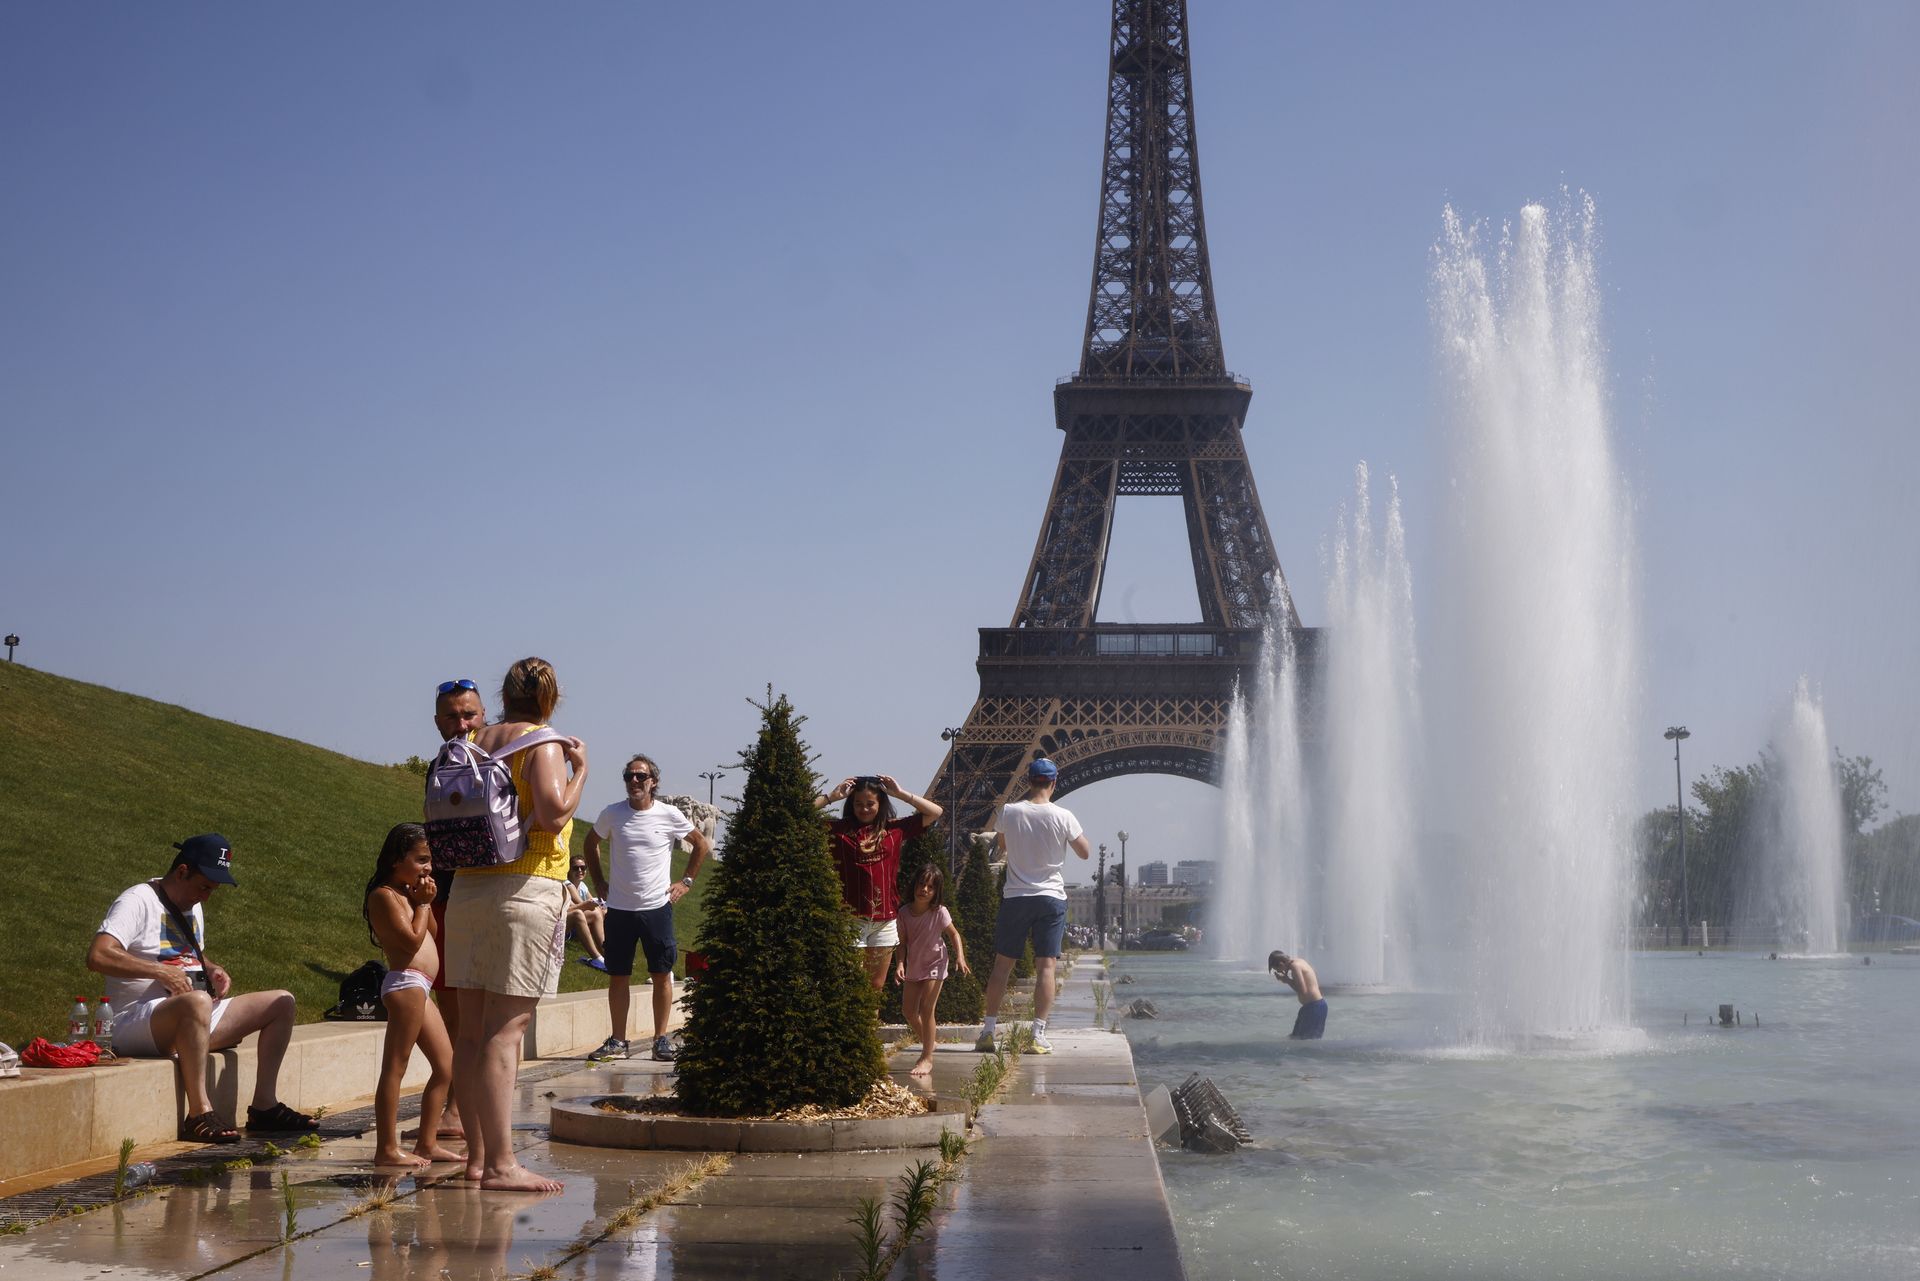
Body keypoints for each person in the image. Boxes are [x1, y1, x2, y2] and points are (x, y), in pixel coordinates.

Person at [444, 657, 586, 1193]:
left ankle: (478, 1159)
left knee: (472, 1033)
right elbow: (552, 816)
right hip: (525, 889)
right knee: (508, 1033)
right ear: (550, 699)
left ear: (504, 695)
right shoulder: (541, 743)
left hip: (468, 890)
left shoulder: (475, 740)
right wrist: (580, 773)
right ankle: (503, 1165)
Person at [86, 835, 318, 1144]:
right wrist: (159, 972)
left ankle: (264, 1106)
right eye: (204, 887)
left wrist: (211, 968)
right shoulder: (137, 900)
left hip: (190, 1012)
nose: (207, 897)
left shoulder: (192, 905)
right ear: (182, 872)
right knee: (197, 1003)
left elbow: (182, 954)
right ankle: (198, 1112)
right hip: (135, 1022)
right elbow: (99, 954)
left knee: (282, 1002)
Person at [583, 754, 712, 1062]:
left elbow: (700, 844)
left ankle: (660, 1039)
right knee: (618, 975)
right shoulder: (612, 814)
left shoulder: (668, 815)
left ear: (654, 781)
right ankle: (618, 1040)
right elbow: (590, 843)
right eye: (629, 776)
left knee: (661, 973)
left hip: (657, 907)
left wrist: (686, 882)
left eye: (641, 776)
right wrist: (599, 879)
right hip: (619, 909)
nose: (635, 781)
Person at [362, 823, 461, 1169]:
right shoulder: (383, 896)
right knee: (396, 1067)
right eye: (421, 860)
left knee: (446, 1067)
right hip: (405, 985)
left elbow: (431, 932)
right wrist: (420, 905)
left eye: (430, 861)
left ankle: (427, 1142)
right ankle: (386, 1148)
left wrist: (426, 903)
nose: (428, 867)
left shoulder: (408, 895)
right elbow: (409, 942)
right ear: (395, 860)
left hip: (421, 986)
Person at [976, 758, 1090, 1055]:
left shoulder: (1010, 812)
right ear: (1054, 782)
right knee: (1046, 968)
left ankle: (988, 1031)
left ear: (1028, 781)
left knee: (1002, 965)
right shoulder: (1064, 816)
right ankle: (1037, 1035)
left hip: (1016, 896)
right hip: (1051, 897)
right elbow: (1085, 852)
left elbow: (1002, 846)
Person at [422, 677, 487, 1140]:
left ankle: (460, 1113)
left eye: (470, 714)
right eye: (453, 716)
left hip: (489, 895)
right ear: (437, 721)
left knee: (478, 1017)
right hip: (447, 896)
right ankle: (454, 1110)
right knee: (453, 1013)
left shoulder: (500, 758)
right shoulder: (439, 765)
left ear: (484, 715)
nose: (462, 723)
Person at [814, 774, 944, 990]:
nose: (864, 809)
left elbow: (936, 812)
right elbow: (798, 814)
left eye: (870, 804)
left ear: (881, 803)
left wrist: (901, 794)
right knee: (851, 985)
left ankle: (869, 1025)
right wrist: (831, 797)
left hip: (885, 921)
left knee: (875, 987)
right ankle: (853, 1025)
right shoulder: (839, 831)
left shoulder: (895, 829)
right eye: (858, 804)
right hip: (851, 920)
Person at [894, 863, 970, 1078]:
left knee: (927, 1009)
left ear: (936, 892)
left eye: (930, 887)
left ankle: (927, 1057)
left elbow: (954, 935)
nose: (924, 890)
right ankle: (930, 1042)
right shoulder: (904, 913)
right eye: (921, 884)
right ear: (914, 885)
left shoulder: (939, 912)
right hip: (914, 964)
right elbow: (901, 943)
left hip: (936, 962)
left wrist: (960, 957)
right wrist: (900, 964)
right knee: (908, 1011)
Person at [1269, 949, 1327, 1039]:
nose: (1281, 972)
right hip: (1312, 1007)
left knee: (1305, 1040)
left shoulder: (1295, 966)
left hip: (1314, 1007)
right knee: (1295, 1038)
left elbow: (1302, 990)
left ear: (1281, 964)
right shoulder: (1299, 961)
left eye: (1278, 970)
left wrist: (1286, 980)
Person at [563, 859, 608, 970]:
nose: (580, 870)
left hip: (574, 918)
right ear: (568, 869)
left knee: (602, 912)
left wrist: (600, 906)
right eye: (576, 868)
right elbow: (579, 904)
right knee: (594, 913)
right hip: (566, 921)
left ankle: (608, 954)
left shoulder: (582, 885)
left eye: (583, 868)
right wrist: (590, 905)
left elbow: (591, 900)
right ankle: (601, 956)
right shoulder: (567, 884)